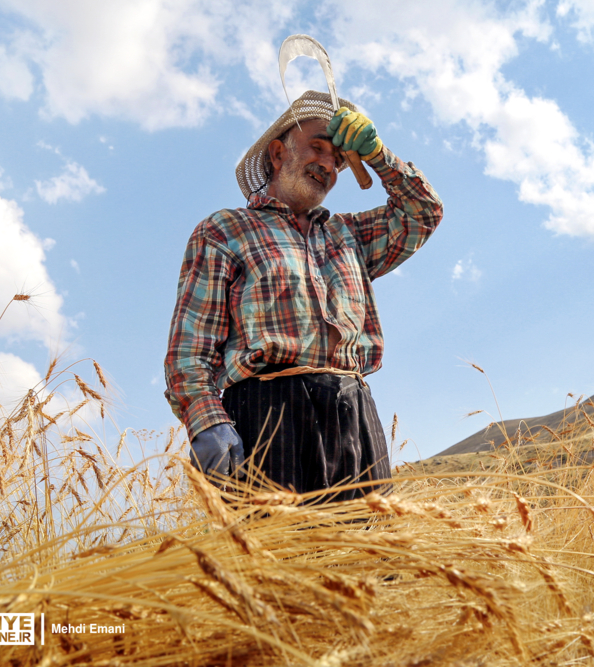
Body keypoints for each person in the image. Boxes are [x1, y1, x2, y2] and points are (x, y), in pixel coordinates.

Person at [164, 90, 442, 499]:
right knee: (277, 559)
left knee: (368, 559)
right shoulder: (225, 230)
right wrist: (207, 421)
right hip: (266, 419)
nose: (329, 165)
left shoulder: (348, 236)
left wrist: (379, 155)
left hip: (355, 415)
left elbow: (424, 213)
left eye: (339, 159)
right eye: (318, 148)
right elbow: (190, 350)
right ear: (278, 154)